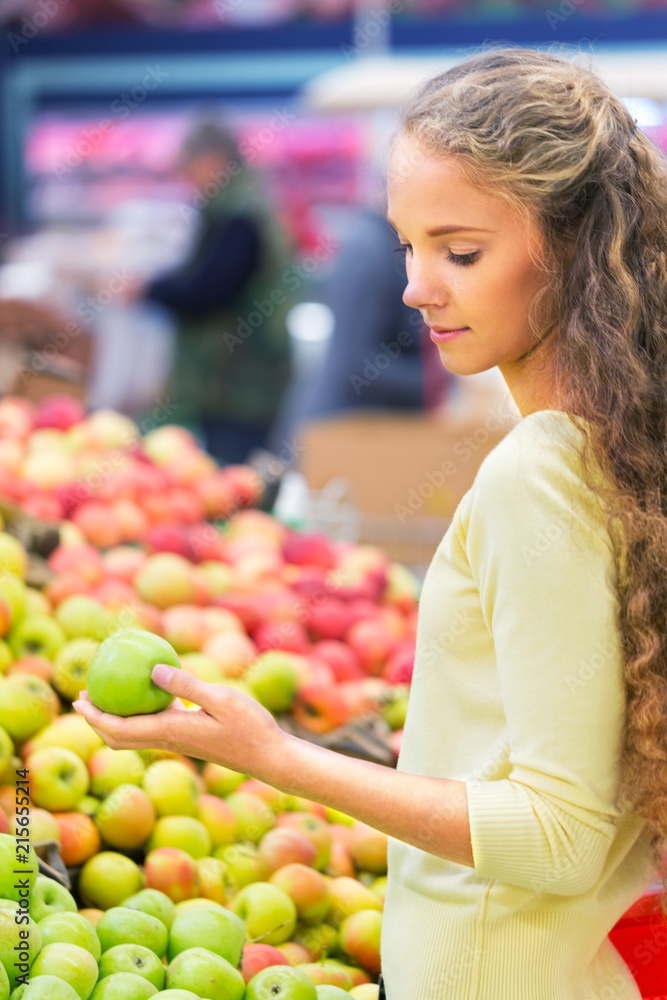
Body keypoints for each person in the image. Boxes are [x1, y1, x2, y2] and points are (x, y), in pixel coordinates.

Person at [73, 48, 667, 999]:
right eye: (406, 244)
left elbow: (558, 838)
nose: (413, 287)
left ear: (569, 246)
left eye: (459, 251)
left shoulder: (537, 471)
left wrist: (272, 756)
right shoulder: (613, 450)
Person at [136, 120, 294, 465]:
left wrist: (150, 289)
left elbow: (208, 290)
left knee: (234, 474)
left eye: (189, 166)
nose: (187, 178)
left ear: (215, 160)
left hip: (241, 385)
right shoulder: (237, 208)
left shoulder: (241, 216)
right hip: (235, 382)